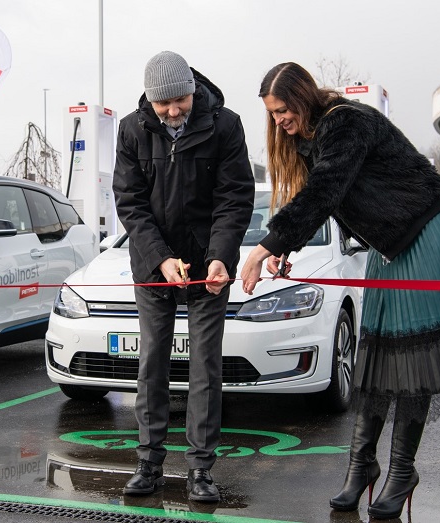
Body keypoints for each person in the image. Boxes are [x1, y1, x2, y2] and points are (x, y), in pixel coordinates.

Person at [240, 62, 440, 520]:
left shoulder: (346, 121)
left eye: (282, 110)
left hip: (426, 231)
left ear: (302, 96)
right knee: (376, 356)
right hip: (389, 244)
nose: (279, 121)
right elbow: (335, 198)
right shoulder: (311, 137)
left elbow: (325, 191)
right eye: (272, 114)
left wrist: (262, 250)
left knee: (414, 357)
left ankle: (401, 472)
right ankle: (361, 466)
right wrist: (287, 246)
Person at [113, 50, 255, 503]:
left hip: (207, 268)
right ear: (150, 102)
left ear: (193, 88)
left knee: (205, 366)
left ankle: (200, 469)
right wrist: (160, 259)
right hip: (154, 267)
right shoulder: (132, 130)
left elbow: (235, 198)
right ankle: (148, 463)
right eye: (164, 104)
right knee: (152, 360)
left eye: (181, 100)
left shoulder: (225, 125)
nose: (174, 111)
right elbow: (129, 202)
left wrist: (220, 258)